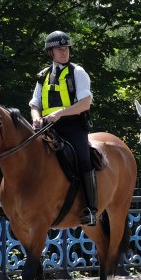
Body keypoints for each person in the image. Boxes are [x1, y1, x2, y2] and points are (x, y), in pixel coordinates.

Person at [30, 30, 98, 226]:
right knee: (21, 152)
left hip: (72, 126)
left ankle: (91, 209)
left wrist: (60, 113)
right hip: (47, 127)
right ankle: (7, 202)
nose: (64, 52)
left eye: (66, 48)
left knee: (83, 158)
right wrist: (36, 118)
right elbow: (35, 104)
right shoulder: (42, 75)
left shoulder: (77, 72)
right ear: (50, 52)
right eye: (60, 49)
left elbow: (85, 104)